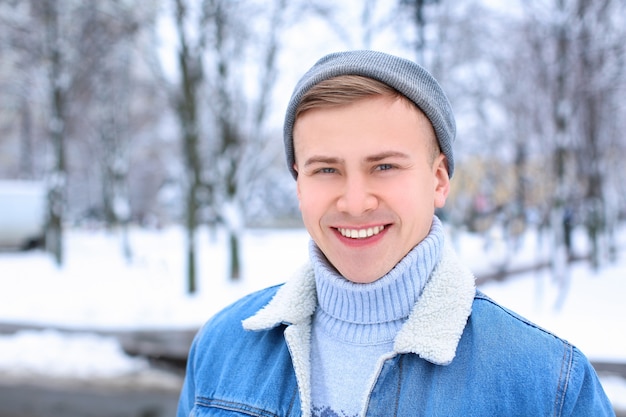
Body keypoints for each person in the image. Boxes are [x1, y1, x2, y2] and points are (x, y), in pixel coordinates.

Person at [177, 50, 614, 417]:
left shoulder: (546, 383)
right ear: (299, 184)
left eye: (384, 167)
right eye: (326, 169)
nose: (354, 202)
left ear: (439, 179)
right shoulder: (222, 346)